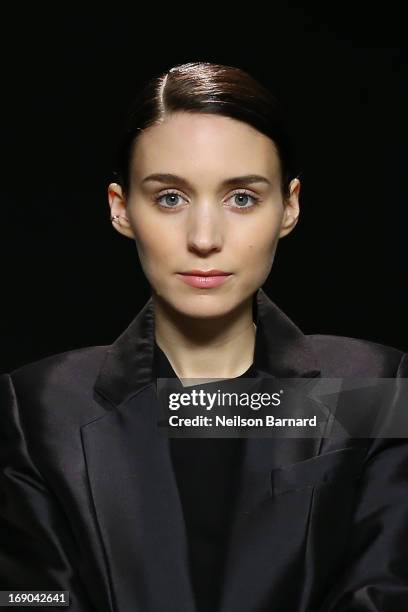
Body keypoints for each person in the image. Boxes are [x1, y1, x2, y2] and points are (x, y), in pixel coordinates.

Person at [1, 61, 407, 612]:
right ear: (122, 210)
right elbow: (30, 601)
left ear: (289, 207)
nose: (204, 238)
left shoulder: (374, 389)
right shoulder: (39, 406)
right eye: (170, 197)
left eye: (242, 197)